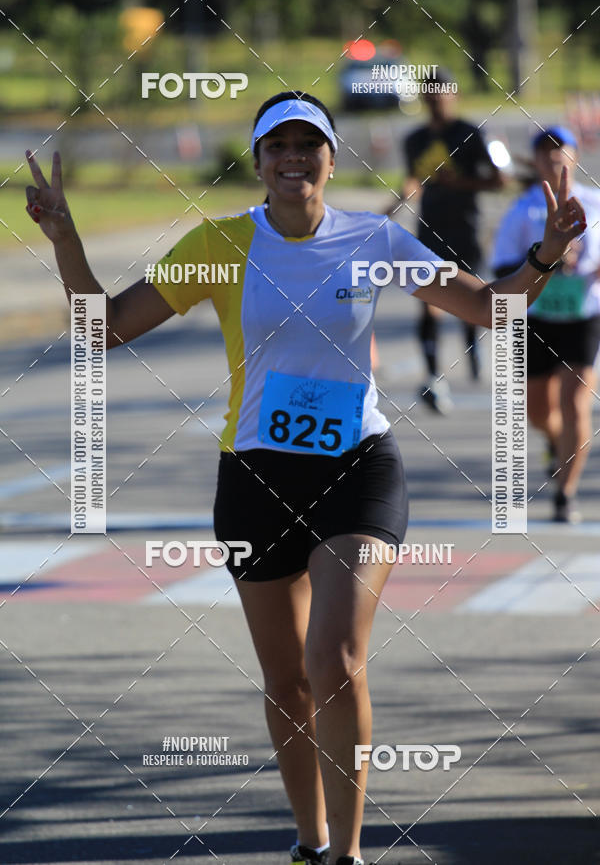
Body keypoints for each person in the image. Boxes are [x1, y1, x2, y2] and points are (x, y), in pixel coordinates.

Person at [25, 92, 585, 865]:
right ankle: (311, 840)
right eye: (276, 147)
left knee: (335, 661)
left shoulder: (374, 237)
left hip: (359, 469)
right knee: (287, 683)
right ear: (258, 163)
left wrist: (547, 253)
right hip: (255, 477)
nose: (293, 159)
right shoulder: (218, 244)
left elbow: (491, 310)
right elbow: (104, 327)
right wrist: (63, 237)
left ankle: (348, 854)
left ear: (331, 157)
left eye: (308, 145)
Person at [491, 125, 600, 523]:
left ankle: (565, 494)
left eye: (562, 151)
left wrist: (584, 265)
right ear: (535, 161)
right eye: (546, 152)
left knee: (576, 404)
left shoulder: (595, 203)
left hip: (583, 316)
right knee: (539, 412)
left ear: (576, 156)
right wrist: (546, 260)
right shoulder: (523, 209)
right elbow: (501, 265)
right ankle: (555, 442)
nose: (555, 158)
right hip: (536, 319)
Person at [386, 70, 503, 413]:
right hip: (429, 229)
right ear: (423, 98)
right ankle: (434, 375)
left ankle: (472, 346)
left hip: (465, 228)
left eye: (442, 92)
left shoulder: (469, 133)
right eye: (430, 93)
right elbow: (412, 181)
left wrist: (458, 183)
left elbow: (497, 181)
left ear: (454, 94)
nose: (436, 98)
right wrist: (387, 212)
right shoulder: (414, 140)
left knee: (471, 300)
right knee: (428, 303)